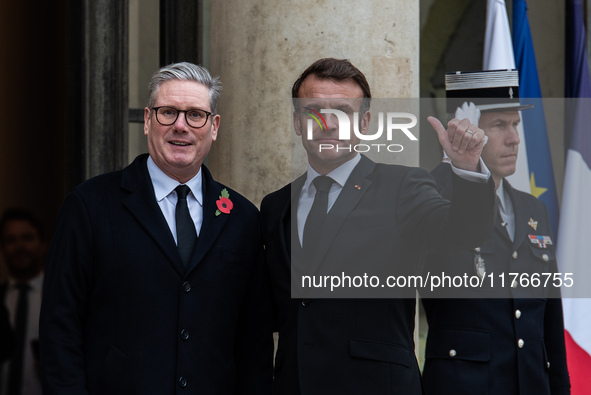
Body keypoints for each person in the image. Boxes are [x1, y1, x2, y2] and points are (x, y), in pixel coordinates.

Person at [260, 58, 496, 395]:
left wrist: (468, 169)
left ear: (365, 122)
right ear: (298, 122)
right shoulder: (275, 205)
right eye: (313, 110)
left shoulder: (403, 186)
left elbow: (463, 231)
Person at [40, 62, 272, 394]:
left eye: (195, 114)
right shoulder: (89, 206)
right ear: (148, 121)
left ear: (214, 126)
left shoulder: (243, 218)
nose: (181, 125)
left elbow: (255, 344)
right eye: (168, 113)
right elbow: (59, 329)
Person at [421, 69, 571, 394]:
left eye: (515, 124)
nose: (514, 138)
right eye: (499, 125)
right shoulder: (428, 196)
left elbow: (550, 318)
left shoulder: (533, 209)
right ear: (462, 128)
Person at [0, 208, 46, 395]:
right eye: (11, 240)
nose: (19, 246)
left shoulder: (59, 299)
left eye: (27, 238)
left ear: (43, 244)